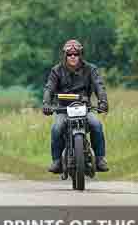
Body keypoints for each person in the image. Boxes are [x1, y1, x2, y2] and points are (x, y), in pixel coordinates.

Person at [43, 39, 109, 173]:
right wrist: (46, 103)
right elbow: (49, 88)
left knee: (96, 125)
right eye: (69, 54)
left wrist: (103, 101)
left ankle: (100, 159)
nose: (73, 57)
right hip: (63, 109)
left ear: (81, 55)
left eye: (76, 54)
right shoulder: (56, 70)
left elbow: (99, 86)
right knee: (56, 128)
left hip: (84, 108)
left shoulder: (91, 69)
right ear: (65, 56)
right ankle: (56, 161)